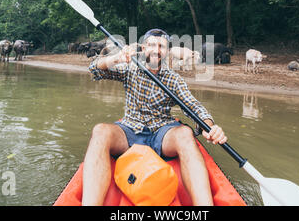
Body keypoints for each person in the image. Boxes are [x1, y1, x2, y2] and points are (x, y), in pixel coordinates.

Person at [82, 28, 227, 206]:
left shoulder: (173, 79)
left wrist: (209, 126)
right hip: (129, 131)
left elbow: (194, 106)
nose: (156, 49)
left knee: (185, 134)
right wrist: (116, 58)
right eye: (151, 45)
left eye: (161, 46)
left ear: (166, 51)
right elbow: (94, 70)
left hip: (161, 133)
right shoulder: (130, 68)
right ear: (144, 48)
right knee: (100, 131)